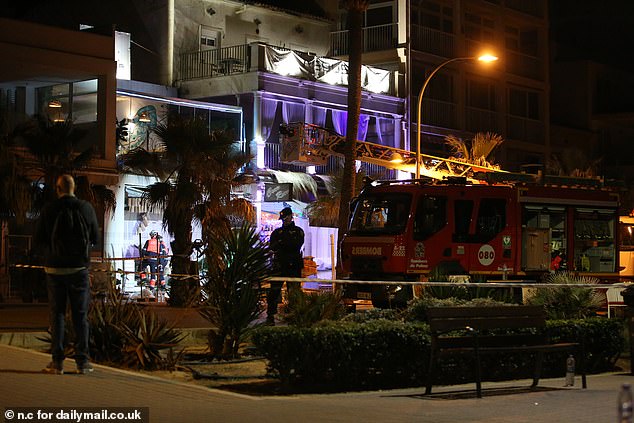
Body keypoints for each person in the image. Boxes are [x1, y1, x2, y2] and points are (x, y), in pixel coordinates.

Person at [34, 174, 99, 375]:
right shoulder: (86, 208)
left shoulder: (49, 209)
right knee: (81, 316)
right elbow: (95, 238)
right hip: (79, 270)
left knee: (57, 315)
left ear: (58, 188)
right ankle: (83, 363)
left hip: (54, 271)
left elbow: (39, 240)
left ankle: (57, 363)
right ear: (74, 188)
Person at [267, 207, 304, 325]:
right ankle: (270, 316)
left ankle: (294, 316)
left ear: (290, 216)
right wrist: (282, 243)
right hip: (279, 265)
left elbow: (295, 245)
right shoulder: (277, 232)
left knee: (293, 292)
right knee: (274, 292)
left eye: (286, 217)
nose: (284, 220)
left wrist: (282, 243)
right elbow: (272, 246)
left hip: (293, 266)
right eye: (283, 218)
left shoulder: (298, 231)